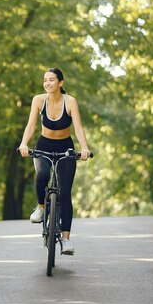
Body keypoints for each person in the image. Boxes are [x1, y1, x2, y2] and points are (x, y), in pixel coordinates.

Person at [18, 67, 91, 254]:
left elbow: (79, 128)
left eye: (51, 80)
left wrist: (84, 149)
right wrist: (24, 144)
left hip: (65, 148)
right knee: (42, 175)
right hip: (44, 145)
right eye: (45, 80)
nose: (47, 83)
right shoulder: (38, 100)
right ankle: (41, 207)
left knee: (65, 193)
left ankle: (66, 240)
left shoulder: (70, 102)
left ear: (60, 83)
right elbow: (31, 125)